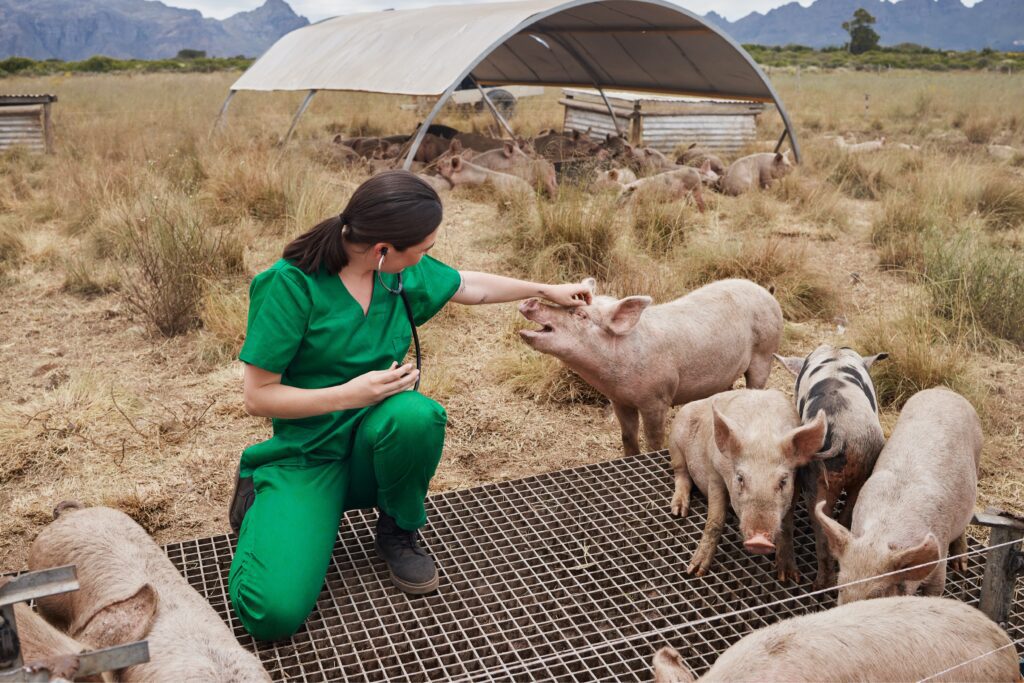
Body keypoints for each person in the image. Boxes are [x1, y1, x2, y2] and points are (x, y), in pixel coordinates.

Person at [227, 170, 592, 641]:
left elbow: (468, 285)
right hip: (307, 454)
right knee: (270, 614)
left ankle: (397, 528)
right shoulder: (288, 285)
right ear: (383, 250)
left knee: (417, 416)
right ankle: (264, 497)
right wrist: (353, 394)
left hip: (375, 443)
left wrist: (544, 289)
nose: (426, 258)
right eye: (422, 249)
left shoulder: (397, 275)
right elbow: (258, 395)